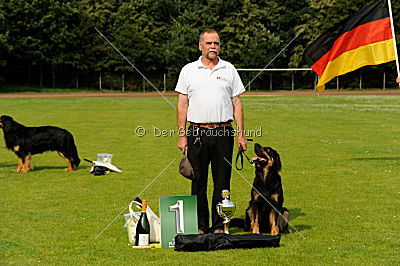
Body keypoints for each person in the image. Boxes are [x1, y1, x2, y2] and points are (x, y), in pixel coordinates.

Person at [175, 29, 247, 234]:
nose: (213, 47)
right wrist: (182, 134)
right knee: (198, 181)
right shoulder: (188, 70)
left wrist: (241, 133)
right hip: (196, 133)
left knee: (222, 182)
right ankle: (199, 226)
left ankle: (218, 225)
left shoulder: (229, 69)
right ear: (200, 46)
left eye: (216, 43)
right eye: (208, 43)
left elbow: (237, 103)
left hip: (224, 133)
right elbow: (182, 103)